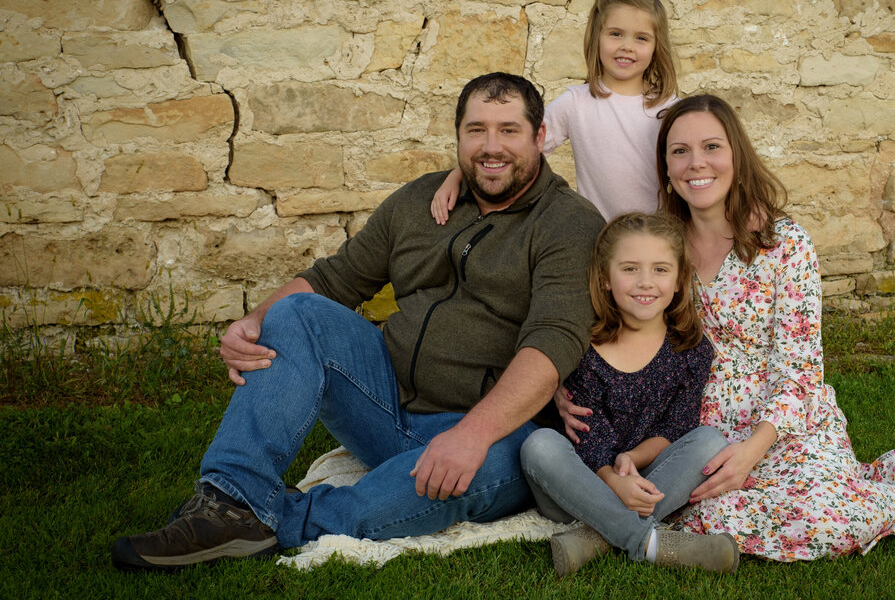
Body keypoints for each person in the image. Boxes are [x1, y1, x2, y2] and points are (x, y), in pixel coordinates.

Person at [112, 72, 606, 571]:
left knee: (516, 459)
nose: (490, 146)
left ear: (540, 137)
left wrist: (473, 435)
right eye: (476, 130)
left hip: (495, 429)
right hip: (385, 401)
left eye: (509, 130)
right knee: (298, 312)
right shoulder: (420, 200)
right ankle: (227, 497)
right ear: (458, 136)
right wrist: (254, 320)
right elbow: (337, 278)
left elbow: (552, 345)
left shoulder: (568, 223)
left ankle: (271, 518)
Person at [561, 94, 895, 562]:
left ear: (736, 154)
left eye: (712, 147)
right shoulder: (660, 248)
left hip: (779, 421)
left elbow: (800, 367)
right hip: (693, 421)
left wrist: (751, 451)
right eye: (680, 151)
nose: (697, 163)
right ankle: (652, 531)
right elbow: (601, 311)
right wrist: (559, 378)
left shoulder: (784, 244)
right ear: (666, 167)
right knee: (702, 515)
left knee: (825, 523)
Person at [520, 212, 737, 577]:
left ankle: (593, 538)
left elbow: (677, 426)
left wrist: (631, 460)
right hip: (577, 484)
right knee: (539, 445)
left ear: (681, 280)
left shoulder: (691, 350)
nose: (645, 283)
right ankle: (652, 544)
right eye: (630, 269)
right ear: (605, 279)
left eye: (661, 270)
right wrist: (612, 480)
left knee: (711, 441)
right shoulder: (584, 344)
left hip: (645, 478)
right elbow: (587, 435)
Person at [432, 0, 679, 222]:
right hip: (601, 240)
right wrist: (457, 176)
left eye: (641, 38)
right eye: (616, 34)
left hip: (660, 239)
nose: (627, 46)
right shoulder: (576, 103)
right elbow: (521, 147)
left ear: (657, 46)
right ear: (597, 37)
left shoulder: (670, 109)